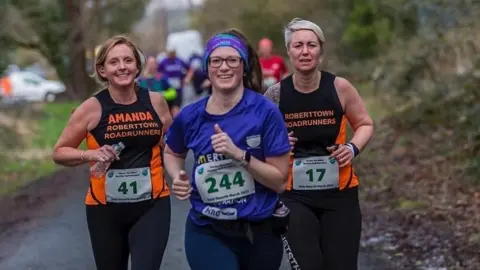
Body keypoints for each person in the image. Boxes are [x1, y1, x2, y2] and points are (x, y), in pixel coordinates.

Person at [163, 29, 292, 270]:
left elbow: (279, 182)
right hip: (207, 229)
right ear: (207, 68)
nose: (224, 67)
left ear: (243, 66)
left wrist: (240, 156)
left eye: (232, 60)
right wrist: (176, 174)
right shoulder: (191, 116)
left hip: (260, 231)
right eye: (216, 60)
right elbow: (172, 151)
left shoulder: (265, 112)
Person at [52, 35, 173, 270]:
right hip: (104, 210)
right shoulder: (90, 108)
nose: (122, 67)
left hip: (152, 204)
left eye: (128, 60)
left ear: (137, 66)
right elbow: (59, 152)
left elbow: (170, 145)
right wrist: (90, 155)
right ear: (102, 70)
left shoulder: (156, 102)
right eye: (114, 62)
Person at [264, 18, 374, 270]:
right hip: (294, 195)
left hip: (340, 194)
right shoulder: (274, 95)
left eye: (311, 45)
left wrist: (351, 148)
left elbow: (365, 124)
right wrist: (276, 145)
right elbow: (257, 143)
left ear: (320, 52)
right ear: (289, 52)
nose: (305, 51)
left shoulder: (339, 87)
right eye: (298, 45)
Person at [157, 47, 194, 113]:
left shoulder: (179, 61)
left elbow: (191, 69)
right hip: (167, 90)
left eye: (173, 53)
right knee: (167, 110)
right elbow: (157, 72)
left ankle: (176, 122)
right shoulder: (164, 61)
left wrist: (187, 78)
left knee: (176, 110)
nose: (171, 54)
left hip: (178, 89)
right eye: (170, 53)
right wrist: (160, 79)